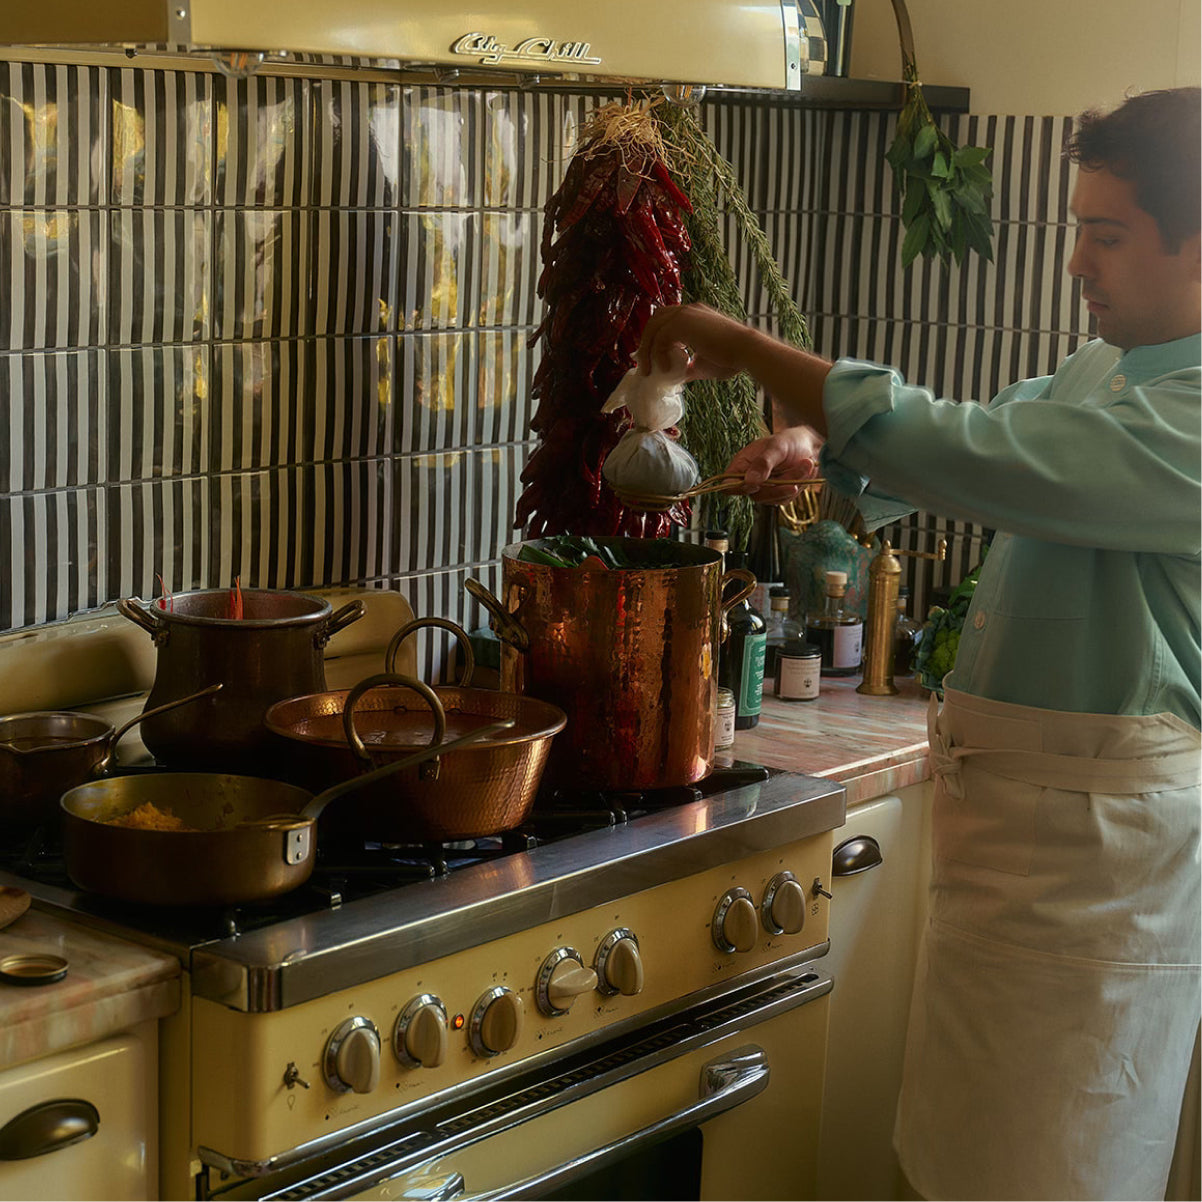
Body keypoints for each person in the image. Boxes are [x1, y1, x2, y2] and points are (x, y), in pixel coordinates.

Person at [638, 87, 1201, 1201]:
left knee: (1047, 1173)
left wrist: (754, 351)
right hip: (1020, 835)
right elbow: (981, 438)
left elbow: (990, 460)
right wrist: (818, 452)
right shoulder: (1103, 367)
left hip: (1100, 858)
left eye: (1106, 235)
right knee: (954, 1164)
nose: (1077, 264)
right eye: (1075, 230)